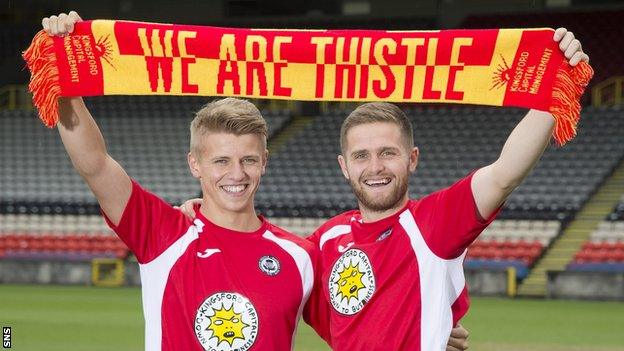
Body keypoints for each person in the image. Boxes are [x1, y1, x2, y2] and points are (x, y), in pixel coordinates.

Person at [40, 11, 469, 351]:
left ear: (265, 162)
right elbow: (95, 164)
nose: (236, 174)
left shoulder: (301, 257)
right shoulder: (163, 235)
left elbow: (357, 316)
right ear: (195, 165)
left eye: (248, 160)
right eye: (221, 161)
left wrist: (428, 333)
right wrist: (65, 73)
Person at [180, 28, 589, 350]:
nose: (375, 167)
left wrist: (553, 85)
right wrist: (204, 217)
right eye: (361, 156)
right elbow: (267, 276)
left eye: (387, 153)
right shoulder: (324, 242)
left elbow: (504, 173)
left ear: (411, 158)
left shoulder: (434, 224)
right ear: (344, 167)